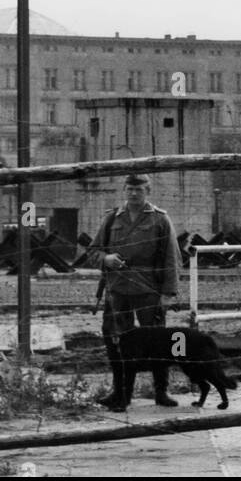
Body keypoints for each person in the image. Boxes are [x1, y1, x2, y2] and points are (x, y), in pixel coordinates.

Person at [89, 173, 183, 411]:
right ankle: (119, 393)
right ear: (124, 190)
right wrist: (106, 258)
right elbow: (93, 251)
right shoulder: (112, 218)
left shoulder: (160, 219)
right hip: (117, 290)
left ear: (147, 192)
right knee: (116, 341)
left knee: (157, 341)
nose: (133, 193)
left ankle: (161, 391)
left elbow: (172, 258)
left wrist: (167, 293)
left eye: (139, 190)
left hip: (148, 289)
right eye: (130, 189)